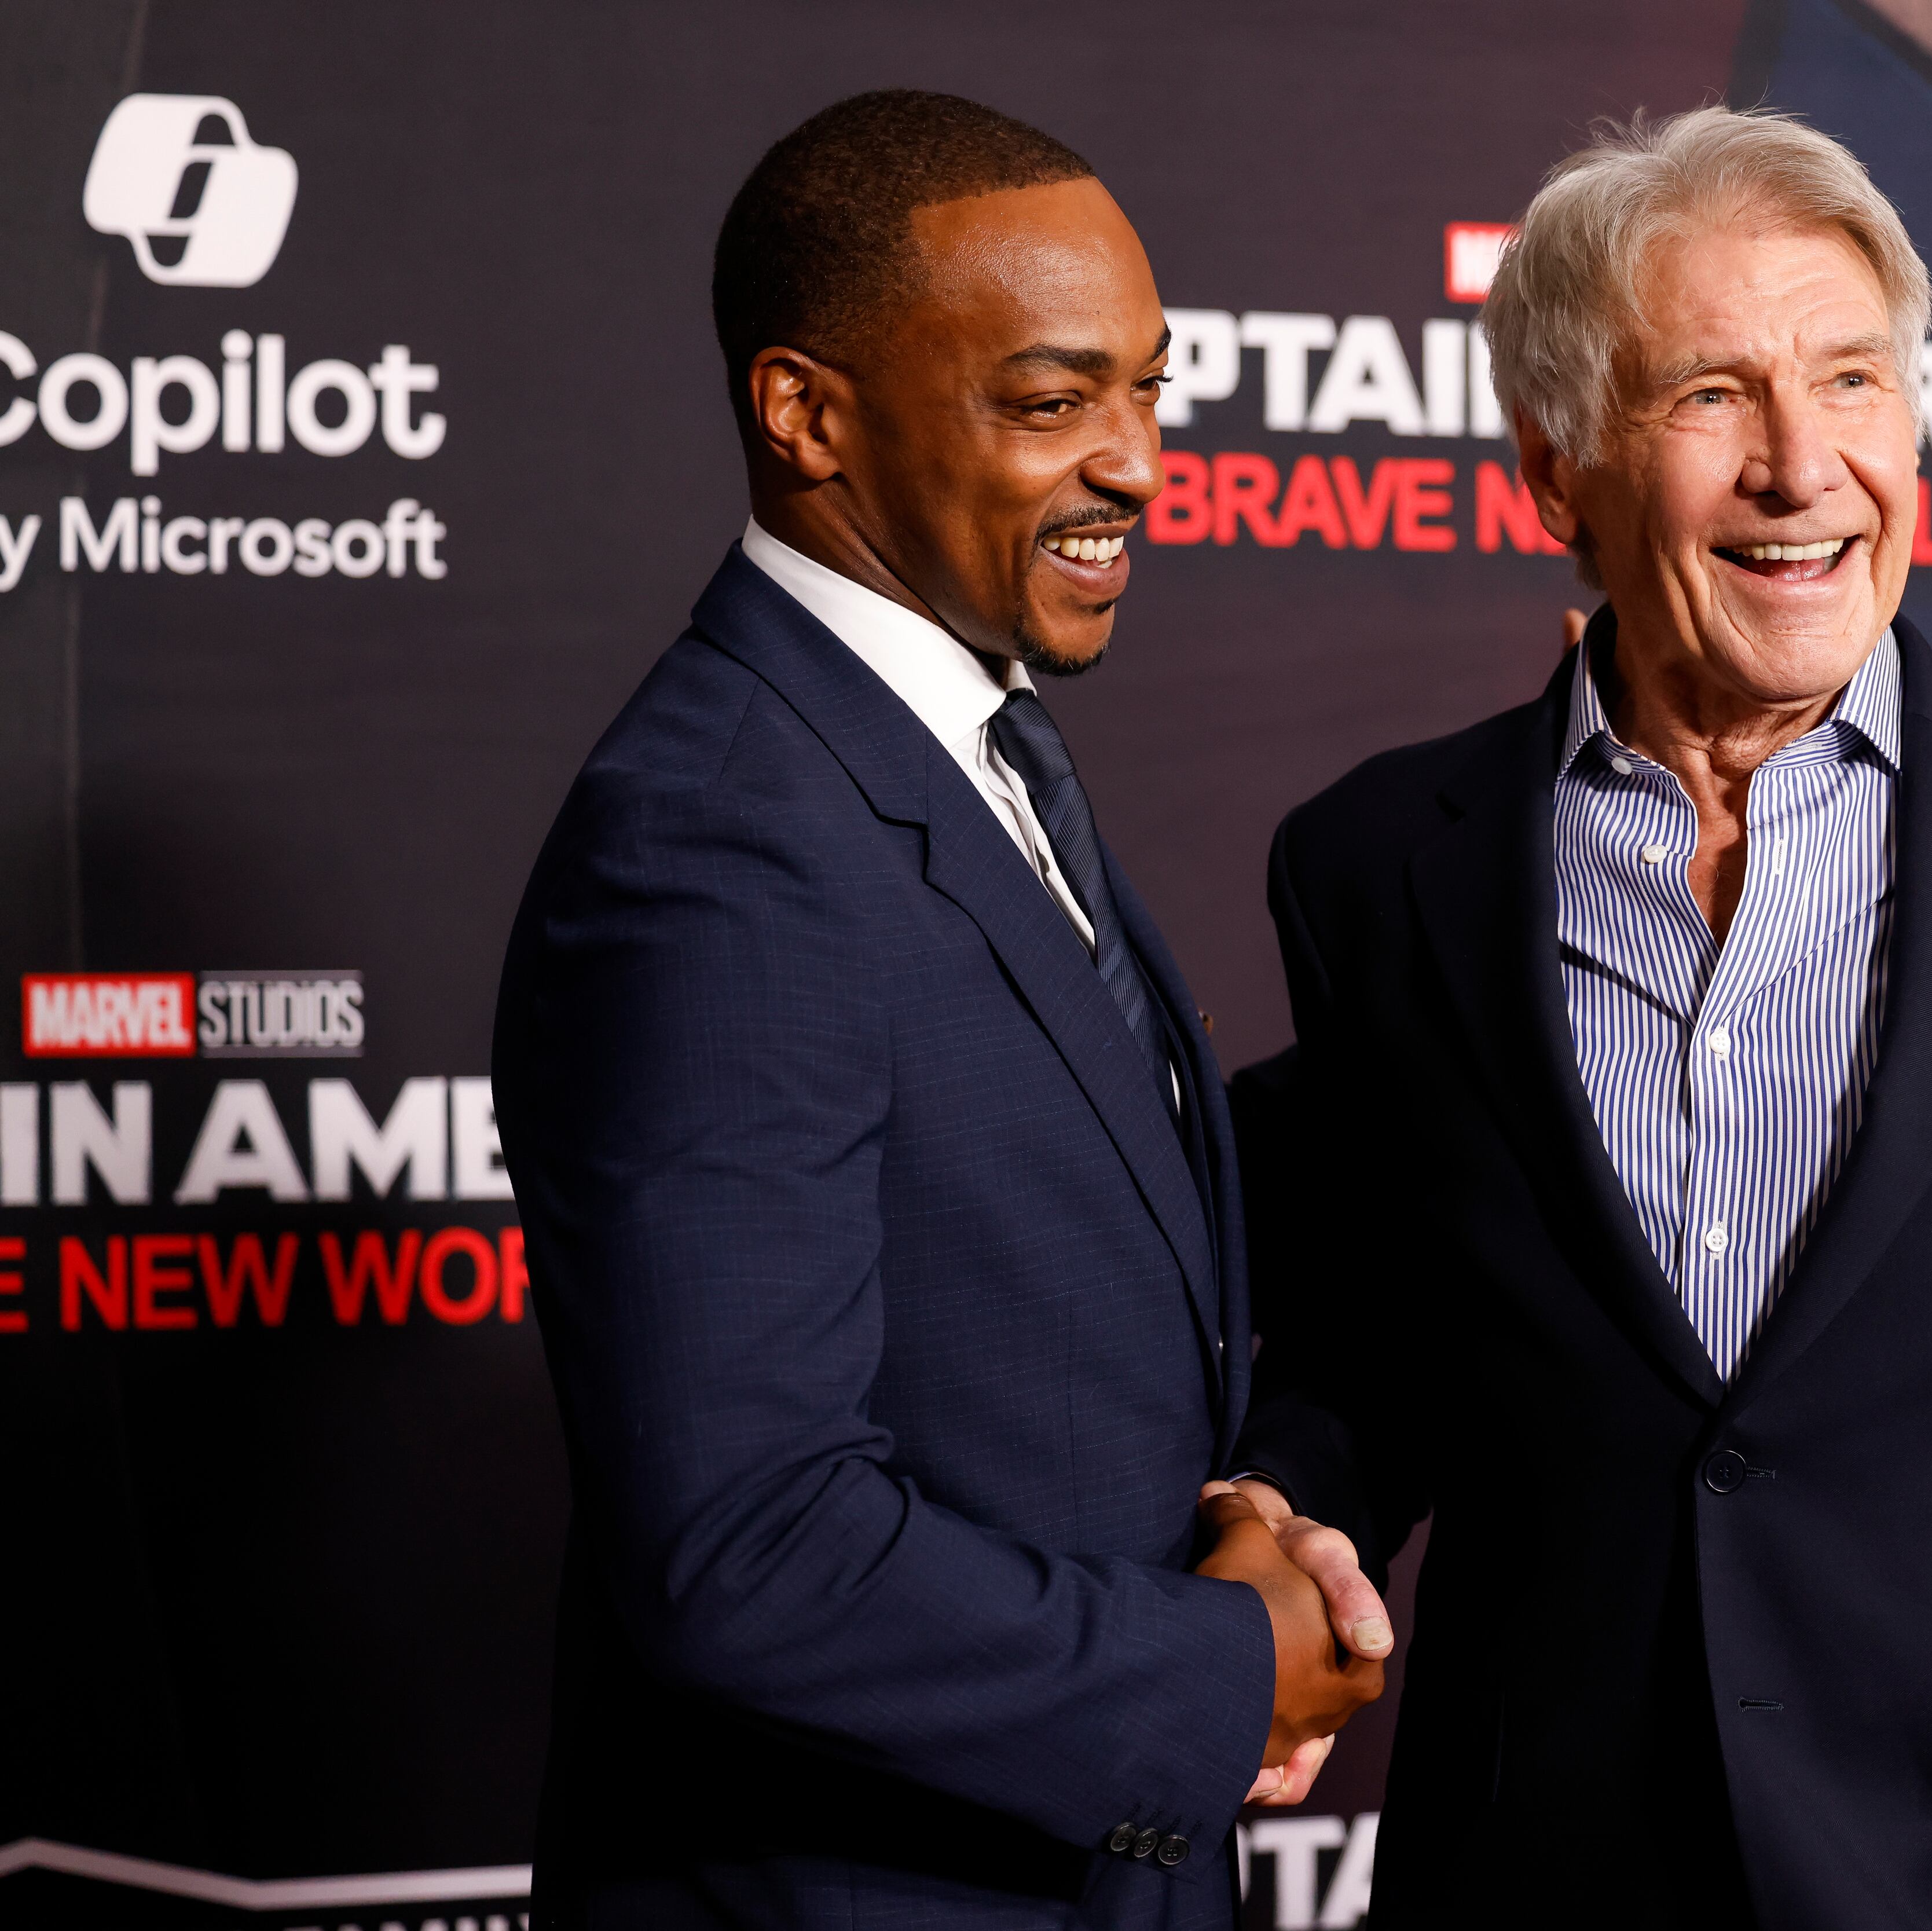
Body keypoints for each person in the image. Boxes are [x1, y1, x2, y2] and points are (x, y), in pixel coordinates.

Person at [1230, 107, 1932, 1929]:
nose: (1802, 465)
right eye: (1712, 396)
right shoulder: (1374, 866)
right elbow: (1387, 1353)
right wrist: (1276, 1511)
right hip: (1551, 1877)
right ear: (1557, 472)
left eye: (1851, 380)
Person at [494, 91, 1385, 1931]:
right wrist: (1220, 1674)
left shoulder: (957, 736)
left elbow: (1053, 1274)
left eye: (1150, 390)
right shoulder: (719, 840)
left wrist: (1241, 1512)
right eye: (1052, 405)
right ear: (807, 414)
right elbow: (750, 1549)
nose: (1139, 465)